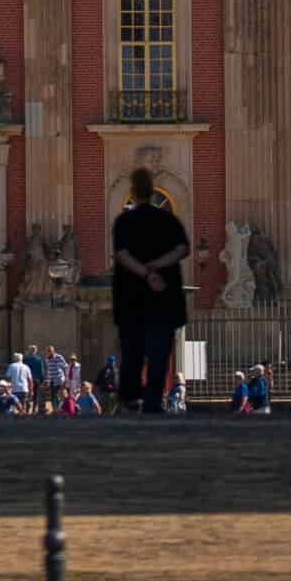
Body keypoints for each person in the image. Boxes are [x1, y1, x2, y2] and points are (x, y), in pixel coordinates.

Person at [110, 165, 190, 417]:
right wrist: (157, 267)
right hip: (163, 296)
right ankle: (154, 401)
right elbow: (182, 249)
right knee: (159, 353)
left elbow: (122, 255)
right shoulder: (168, 219)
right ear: (152, 189)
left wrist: (144, 272)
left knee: (131, 350)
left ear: (133, 191)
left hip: (131, 295)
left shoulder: (124, 221)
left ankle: (130, 399)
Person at [44, 345, 68, 413]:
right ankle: (55, 409)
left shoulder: (58, 357)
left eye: (50, 351)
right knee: (53, 396)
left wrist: (66, 378)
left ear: (53, 351)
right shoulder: (47, 359)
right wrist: (47, 380)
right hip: (52, 380)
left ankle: (61, 409)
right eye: (48, 351)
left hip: (59, 379)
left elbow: (65, 366)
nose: (49, 352)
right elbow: (48, 370)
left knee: (59, 395)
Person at [25, 343, 46, 415]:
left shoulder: (26, 359)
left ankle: (27, 409)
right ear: (35, 351)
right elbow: (41, 370)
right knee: (35, 395)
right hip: (36, 379)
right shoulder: (39, 359)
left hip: (28, 380)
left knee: (28, 394)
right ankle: (33, 409)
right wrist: (42, 380)